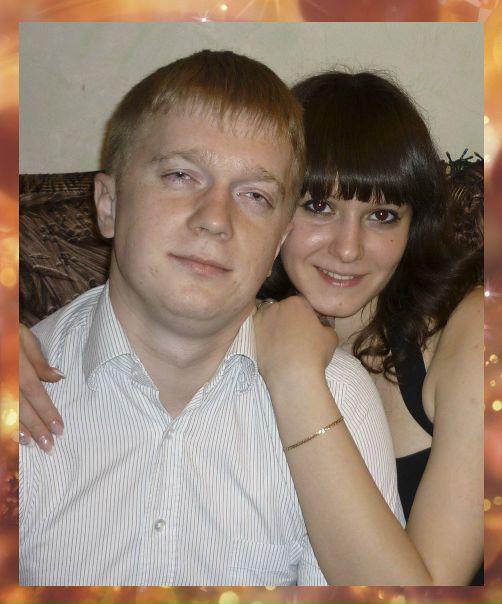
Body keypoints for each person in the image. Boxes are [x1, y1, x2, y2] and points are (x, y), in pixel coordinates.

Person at [19, 52, 403, 586]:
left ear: (279, 241)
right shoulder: (21, 389)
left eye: (255, 196)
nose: (216, 219)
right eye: (181, 175)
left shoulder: (337, 396)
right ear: (108, 204)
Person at [253, 71, 483, 585]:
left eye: (382, 215)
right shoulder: (238, 323)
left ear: (415, 223)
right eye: (319, 207)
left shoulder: (474, 330)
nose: (348, 248)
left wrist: (294, 375)